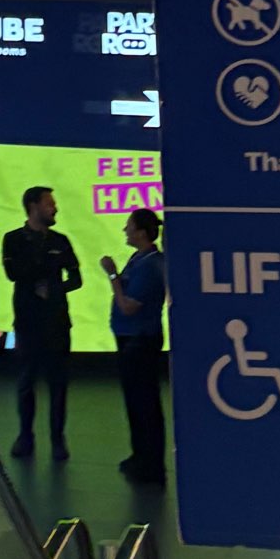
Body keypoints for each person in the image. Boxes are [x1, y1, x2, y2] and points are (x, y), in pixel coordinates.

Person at [1, 185, 80, 460]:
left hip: (57, 322)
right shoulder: (13, 239)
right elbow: (13, 272)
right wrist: (42, 275)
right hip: (27, 322)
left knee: (58, 383)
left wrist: (54, 289)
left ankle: (58, 439)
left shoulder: (61, 241)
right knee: (26, 381)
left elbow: (76, 278)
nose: (55, 208)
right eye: (49, 204)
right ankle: (25, 436)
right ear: (33, 207)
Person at [102, 206, 168, 487]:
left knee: (144, 403)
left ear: (141, 232)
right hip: (132, 339)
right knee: (135, 402)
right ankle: (140, 456)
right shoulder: (141, 259)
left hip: (140, 340)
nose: (125, 230)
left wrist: (112, 276)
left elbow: (128, 306)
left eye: (129, 225)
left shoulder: (151, 265)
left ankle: (151, 464)